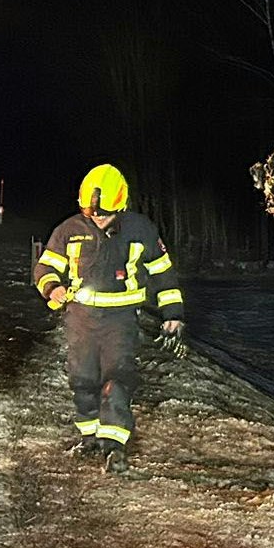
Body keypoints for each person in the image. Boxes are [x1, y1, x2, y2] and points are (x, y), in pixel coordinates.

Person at [33, 164, 183, 473]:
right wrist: (52, 288)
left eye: (103, 214)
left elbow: (163, 273)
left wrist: (173, 314)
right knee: (82, 380)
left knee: (117, 380)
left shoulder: (140, 230)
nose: (97, 218)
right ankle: (90, 439)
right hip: (80, 320)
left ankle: (115, 448)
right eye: (91, 213)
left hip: (121, 321)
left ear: (120, 205)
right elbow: (45, 267)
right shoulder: (69, 230)